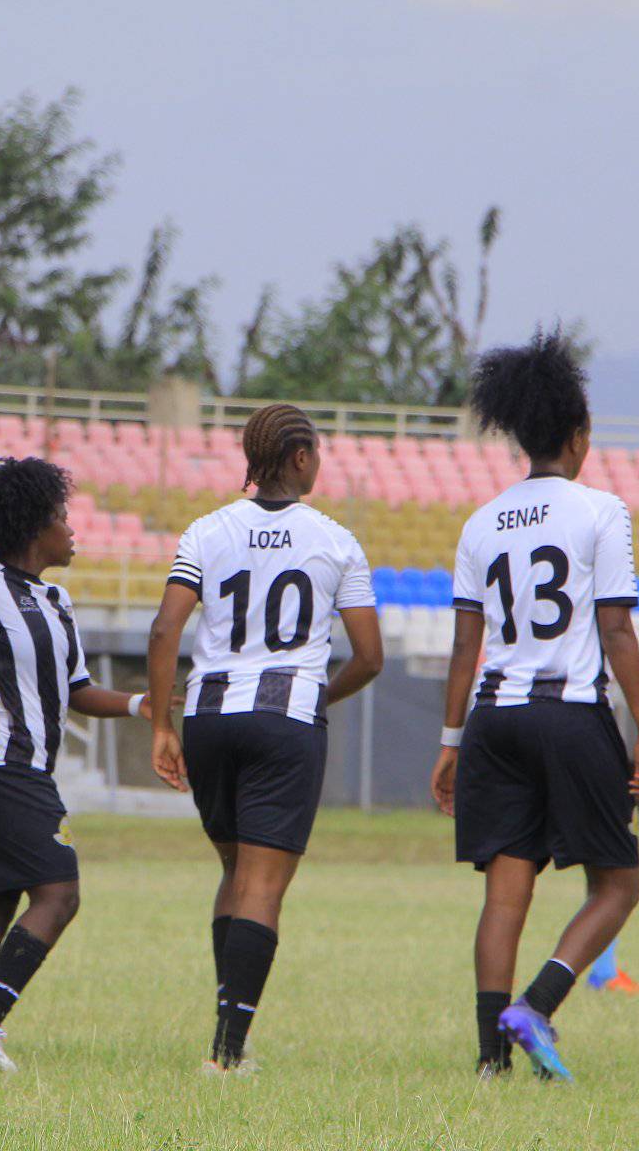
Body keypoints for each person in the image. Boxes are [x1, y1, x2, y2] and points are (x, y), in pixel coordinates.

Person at [430, 329, 639, 1083]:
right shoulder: (601, 511)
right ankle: (537, 1003)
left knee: (506, 891)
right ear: (578, 436)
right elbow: (615, 625)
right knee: (617, 884)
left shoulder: (480, 521)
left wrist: (451, 739)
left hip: (495, 714)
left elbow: (466, 649)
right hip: (569, 712)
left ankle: (490, 1060)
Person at [146, 403, 384, 1074]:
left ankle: (231, 1032)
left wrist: (164, 725)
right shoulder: (337, 541)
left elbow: (164, 632)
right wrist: (317, 696)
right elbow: (368, 656)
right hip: (285, 721)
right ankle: (226, 1054)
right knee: (262, 886)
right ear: (301, 457)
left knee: (233, 870)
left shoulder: (206, 530)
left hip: (210, 717)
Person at [0, 456, 164, 1071]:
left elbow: (78, 692)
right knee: (59, 893)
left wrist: (144, 703)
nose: (72, 526)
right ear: (36, 527)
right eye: (62, 515)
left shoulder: (57, 600)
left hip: (22, 768)